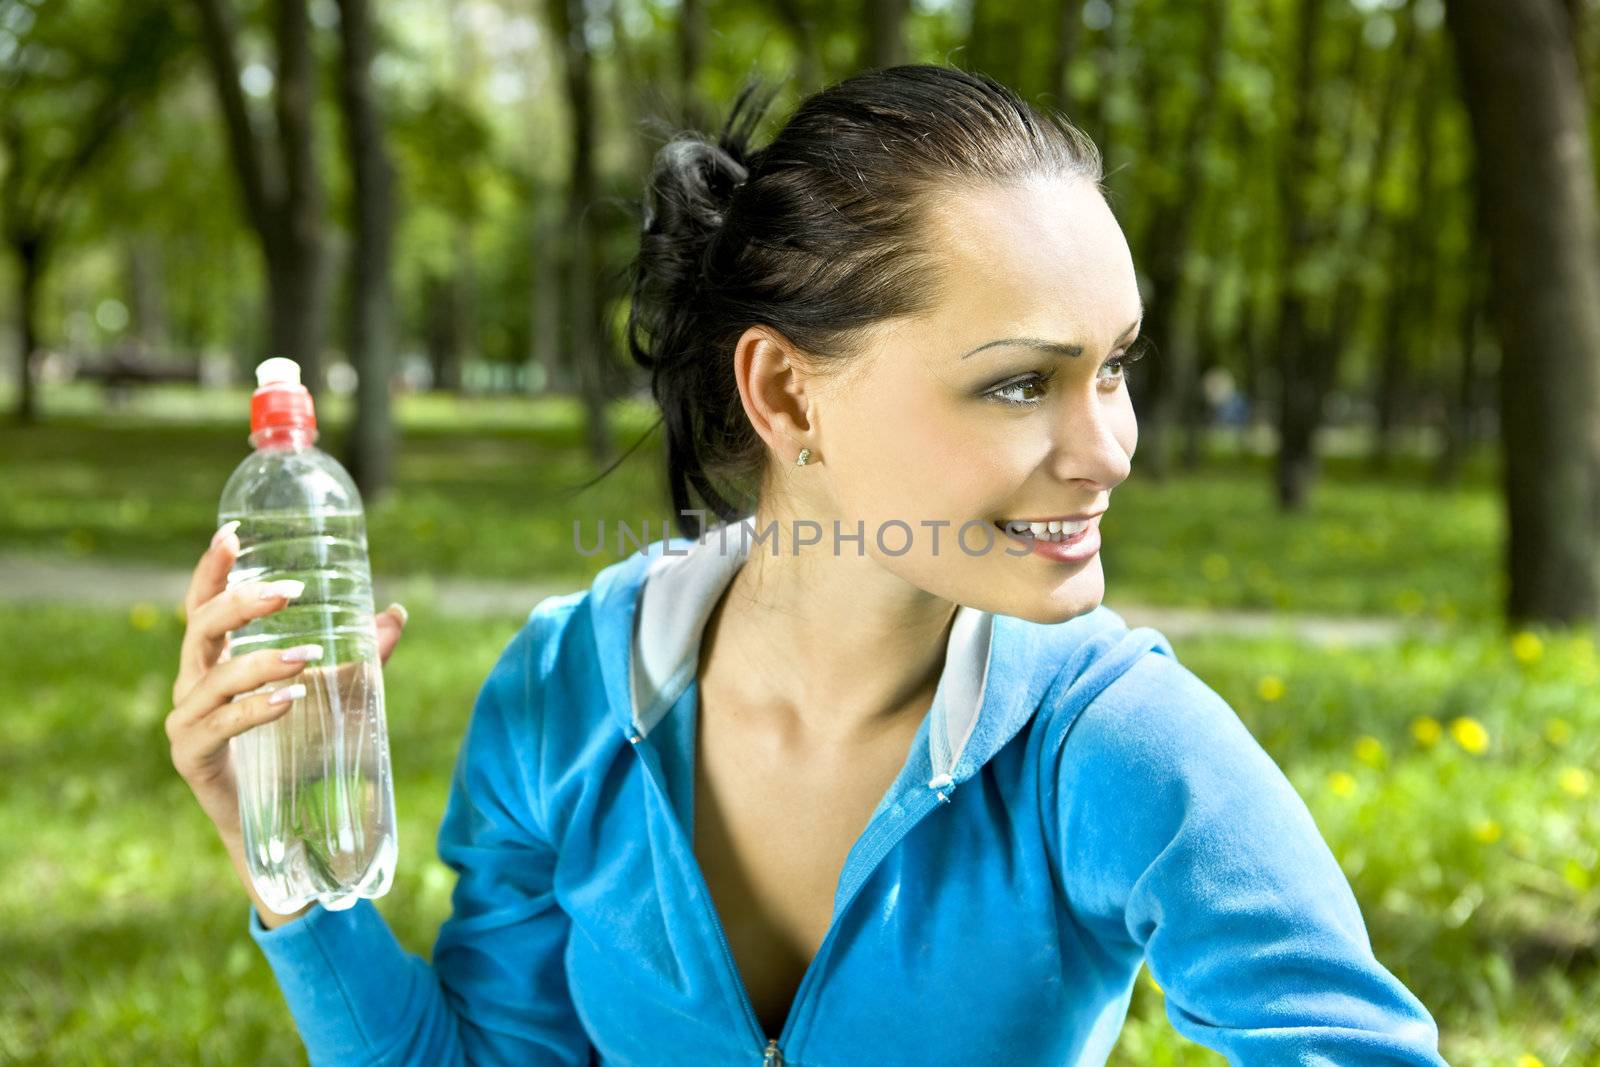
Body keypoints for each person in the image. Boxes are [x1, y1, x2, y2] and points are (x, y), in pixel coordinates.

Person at [167, 64, 1450, 1066]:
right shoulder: (564, 691)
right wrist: (287, 870)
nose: (1108, 445)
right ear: (786, 393)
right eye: (1020, 382)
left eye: (1112, 365)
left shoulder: (1110, 742)